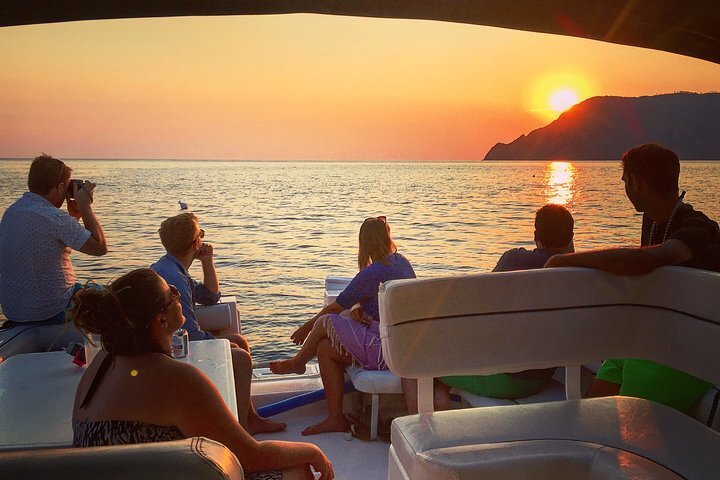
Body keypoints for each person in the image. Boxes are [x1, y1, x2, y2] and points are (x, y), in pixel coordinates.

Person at [70, 268, 333, 480]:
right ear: (160, 320)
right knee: (300, 471)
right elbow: (249, 456)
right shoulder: (176, 379)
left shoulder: (101, 363)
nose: (178, 294)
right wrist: (312, 451)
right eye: (171, 292)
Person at [545, 143, 717, 413]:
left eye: (625, 180)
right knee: (594, 411)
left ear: (636, 182)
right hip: (643, 340)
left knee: (628, 424)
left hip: (682, 354)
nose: (623, 187)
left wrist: (564, 260)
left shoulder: (699, 228)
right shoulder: (653, 220)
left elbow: (645, 260)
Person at [402, 204, 574, 413]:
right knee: (444, 373)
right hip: (542, 377)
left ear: (535, 233)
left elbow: (479, 301)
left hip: (506, 379)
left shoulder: (516, 260)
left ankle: (419, 436)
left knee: (412, 363)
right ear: (570, 237)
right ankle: (440, 403)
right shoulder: (576, 273)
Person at [269, 216, 416, 435]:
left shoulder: (371, 272)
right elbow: (379, 303)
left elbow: (333, 309)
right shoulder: (401, 262)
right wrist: (360, 308)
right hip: (401, 344)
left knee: (325, 321)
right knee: (325, 349)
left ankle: (298, 362)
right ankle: (335, 418)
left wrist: (305, 328)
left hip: (384, 351)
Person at [151, 212, 285, 434]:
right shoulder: (173, 279)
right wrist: (222, 346)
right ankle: (242, 429)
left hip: (173, 345)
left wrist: (207, 262)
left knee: (239, 342)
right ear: (196, 243)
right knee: (240, 356)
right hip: (173, 352)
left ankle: (250, 417)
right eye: (200, 234)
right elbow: (190, 335)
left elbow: (210, 296)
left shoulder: (171, 267)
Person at [0, 154, 107, 352]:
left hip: (16, 310)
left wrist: (74, 216)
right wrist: (85, 207)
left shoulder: (12, 212)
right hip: (52, 309)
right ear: (59, 187)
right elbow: (100, 248)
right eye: (66, 187)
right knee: (111, 294)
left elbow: (49, 241)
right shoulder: (53, 217)